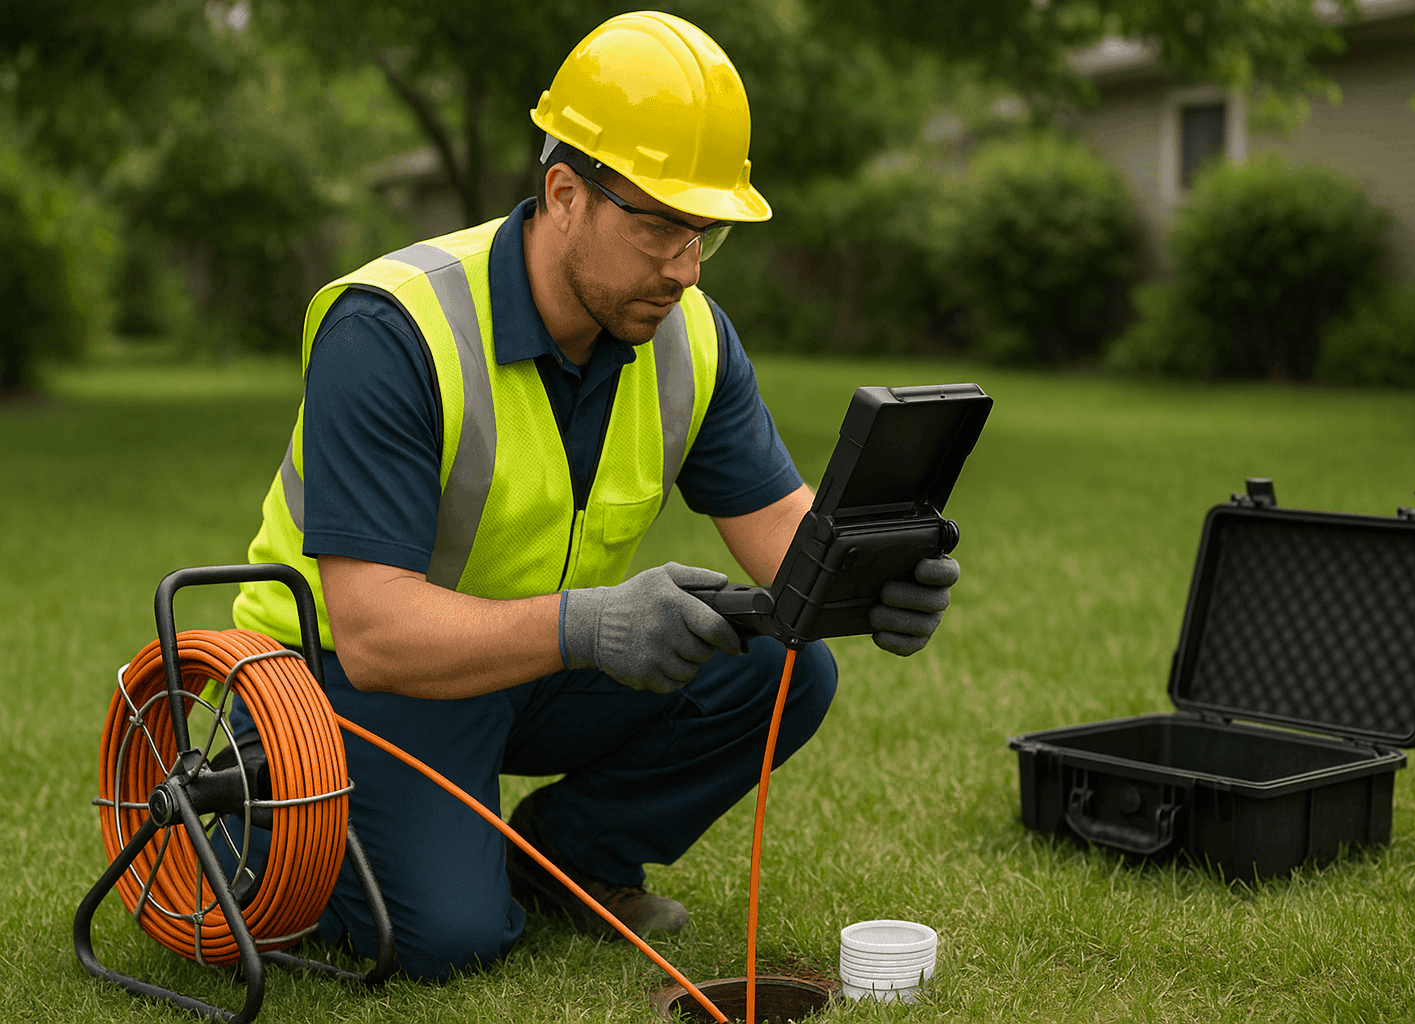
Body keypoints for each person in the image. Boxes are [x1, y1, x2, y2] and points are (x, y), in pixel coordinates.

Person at [225, 11, 959, 980]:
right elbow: (371, 631)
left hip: (526, 662)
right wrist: (586, 627)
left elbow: (780, 523)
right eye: (658, 223)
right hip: (343, 688)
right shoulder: (393, 331)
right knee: (451, 939)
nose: (685, 266)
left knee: (787, 667)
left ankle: (572, 855)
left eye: (705, 232)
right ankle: (273, 832)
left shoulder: (688, 334)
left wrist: (864, 578)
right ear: (564, 192)